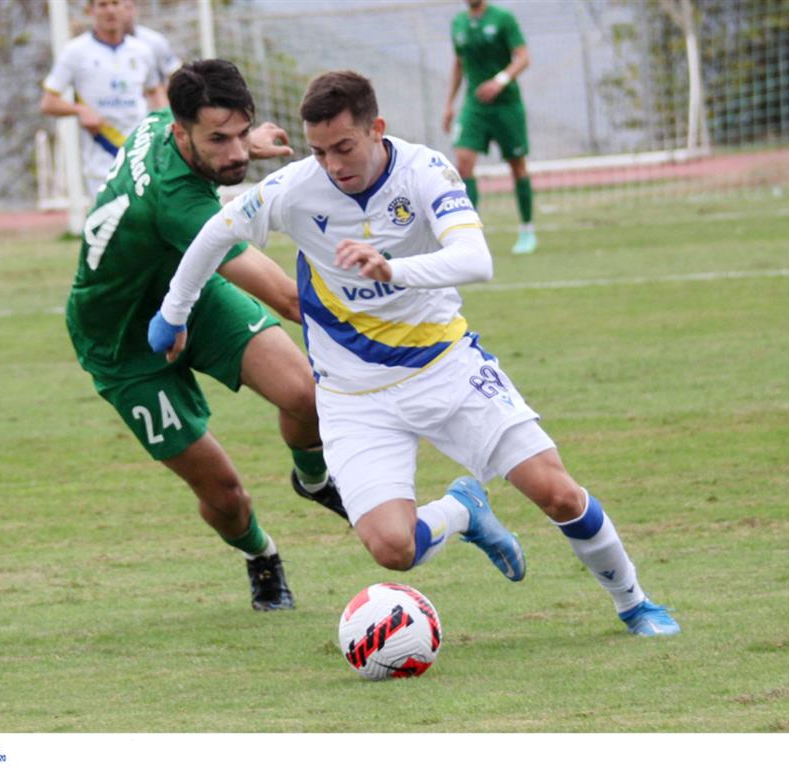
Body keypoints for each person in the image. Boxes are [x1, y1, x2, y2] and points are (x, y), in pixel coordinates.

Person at [150, 70, 680, 637]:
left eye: (344, 147)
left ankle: (635, 604)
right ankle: (463, 511)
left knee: (557, 492)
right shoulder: (295, 188)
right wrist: (173, 312)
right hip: (353, 397)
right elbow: (216, 233)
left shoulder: (424, 171)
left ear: (376, 129)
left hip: (446, 369)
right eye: (319, 151)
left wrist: (393, 269)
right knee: (392, 549)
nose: (331, 164)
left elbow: (476, 259)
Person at [66, 59, 348, 613]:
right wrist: (387, 320)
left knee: (305, 395)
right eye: (219, 140)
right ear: (182, 133)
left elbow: (212, 150)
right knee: (225, 495)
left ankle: (314, 482)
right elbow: (291, 300)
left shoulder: (158, 121)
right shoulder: (179, 206)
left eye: (241, 132)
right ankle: (261, 554)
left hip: (185, 294)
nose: (236, 152)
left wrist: (244, 145)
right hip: (120, 342)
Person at [41, 0, 167, 196]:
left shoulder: (142, 50)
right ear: (90, 11)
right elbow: (48, 103)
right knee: (113, 215)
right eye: (103, 4)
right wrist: (80, 110)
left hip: (141, 155)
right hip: (102, 159)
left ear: (124, 8)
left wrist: (164, 125)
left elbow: (155, 91)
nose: (110, 10)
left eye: (115, 3)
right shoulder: (75, 51)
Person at [442, 0, 536, 256]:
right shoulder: (458, 23)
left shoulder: (503, 18)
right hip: (475, 105)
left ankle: (527, 228)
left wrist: (500, 81)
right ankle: (470, 235)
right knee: (463, 163)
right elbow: (459, 63)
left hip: (506, 105)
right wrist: (449, 104)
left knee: (517, 165)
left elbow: (523, 57)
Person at [125, 0, 182, 85]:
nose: (125, 14)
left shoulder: (155, 41)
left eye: (128, 8)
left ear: (136, 10)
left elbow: (174, 71)